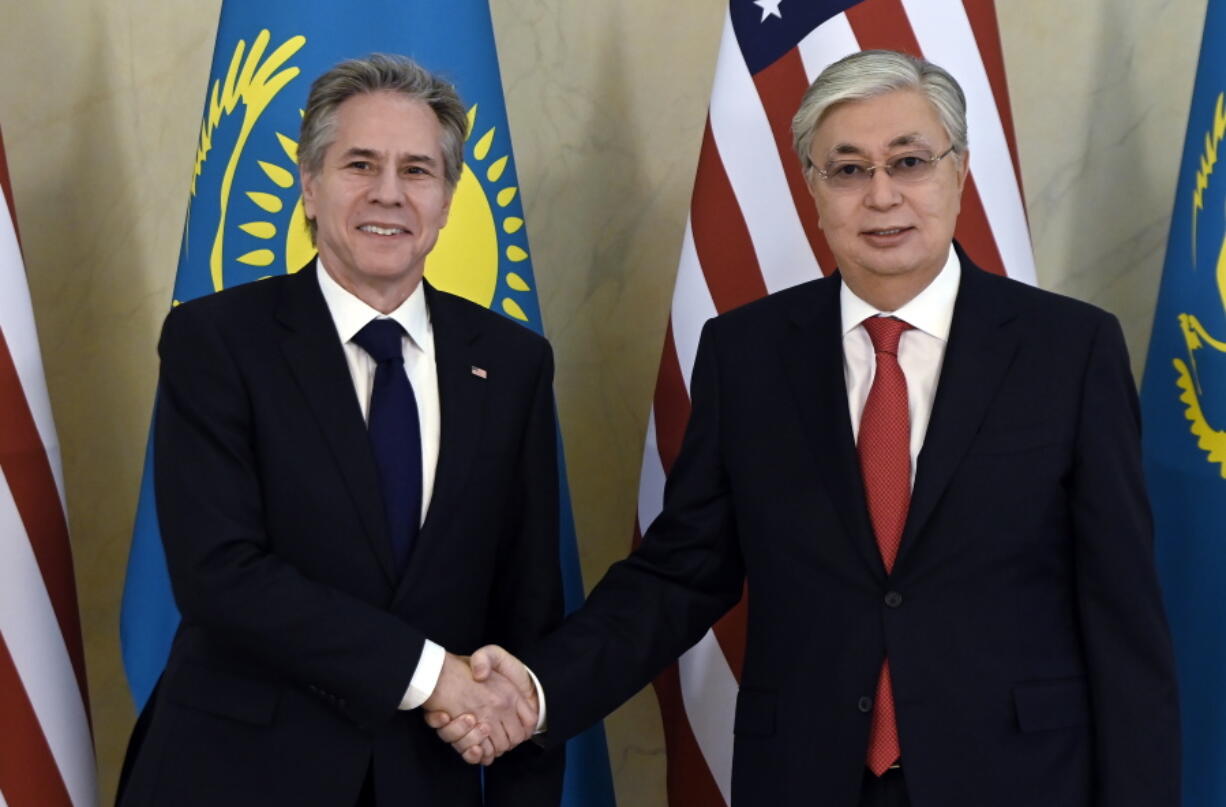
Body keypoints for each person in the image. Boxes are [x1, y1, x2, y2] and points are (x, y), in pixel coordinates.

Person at [431, 49, 1180, 806]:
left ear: (958, 172)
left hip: (1020, 780)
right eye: (848, 169)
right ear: (813, 190)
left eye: (910, 161)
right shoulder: (746, 354)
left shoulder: (1070, 350)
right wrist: (534, 690)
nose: (881, 195)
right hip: (806, 777)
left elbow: (1123, 615)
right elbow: (681, 573)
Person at [117, 54, 563, 807]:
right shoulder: (217, 340)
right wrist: (431, 675)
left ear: (450, 199)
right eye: (361, 163)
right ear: (310, 184)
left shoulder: (513, 364)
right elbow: (221, 573)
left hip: (429, 780)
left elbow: (527, 605)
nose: (389, 193)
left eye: (418, 170)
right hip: (235, 774)